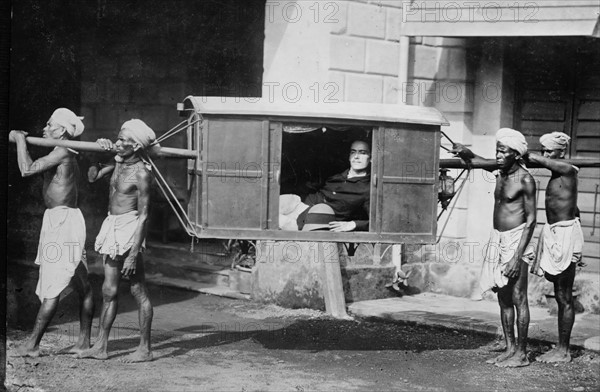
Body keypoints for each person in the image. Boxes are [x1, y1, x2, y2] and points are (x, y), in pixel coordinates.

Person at [9, 108, 94, 357]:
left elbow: (26, 170)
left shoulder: (63, 151)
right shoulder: (64, 151)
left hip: (64, 224)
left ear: (63, 131)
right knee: (83, 286)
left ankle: (32, 345)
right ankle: (84, 342)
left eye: (50, 125)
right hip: (58, 221)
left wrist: (20, 139)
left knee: (53, 287)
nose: (44, 129)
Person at [452, 128, 537, 368]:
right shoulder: (500, 171)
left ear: (516, 154)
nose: (498, 155)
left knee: (519, 297)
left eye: (503, 152)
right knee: (502, 297)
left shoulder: (526, 179)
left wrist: (515, 258)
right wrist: (465, 152)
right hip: (497, 238)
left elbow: (531, 221)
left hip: (516, 241)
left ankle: (522, 353)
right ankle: (510, 348)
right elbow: (477, 161)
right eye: (497, 151)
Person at [78, 119, 155, 363]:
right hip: (112, 224)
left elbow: (143, 215)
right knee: (108, 290)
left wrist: (133, 253)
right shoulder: (118, 162)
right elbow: (92, 177)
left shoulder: (142, 172)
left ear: (135, 145)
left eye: (123, 140)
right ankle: (101, 347)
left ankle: (145, 349)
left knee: (137, 290)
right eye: (118, 138)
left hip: (130, 229)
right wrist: (96, 154)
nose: (118, 142)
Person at [528, 132, 583, 363]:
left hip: (563, 234)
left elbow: (540, 162)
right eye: (544, 151)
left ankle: (564, 350)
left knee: (563, 295)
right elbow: (573, 207)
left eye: (549, 151)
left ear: (561, 152)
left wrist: (526, 155)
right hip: (553, 232)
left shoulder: (568, 170)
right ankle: (561, 346)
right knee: (559, 291)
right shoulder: (557, 175)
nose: (545, 155)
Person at [281, 140, 371, 232]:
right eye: (353, 152)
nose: (356, 157)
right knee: (270, 204)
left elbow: (378, 223)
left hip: (314, 220)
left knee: (271, 220)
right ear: (349, 156)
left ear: (371, 158)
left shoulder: (367, 188)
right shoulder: (336, 175)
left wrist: (353, 224)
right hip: (300, 205)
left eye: (362, 153)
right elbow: (312, 187)